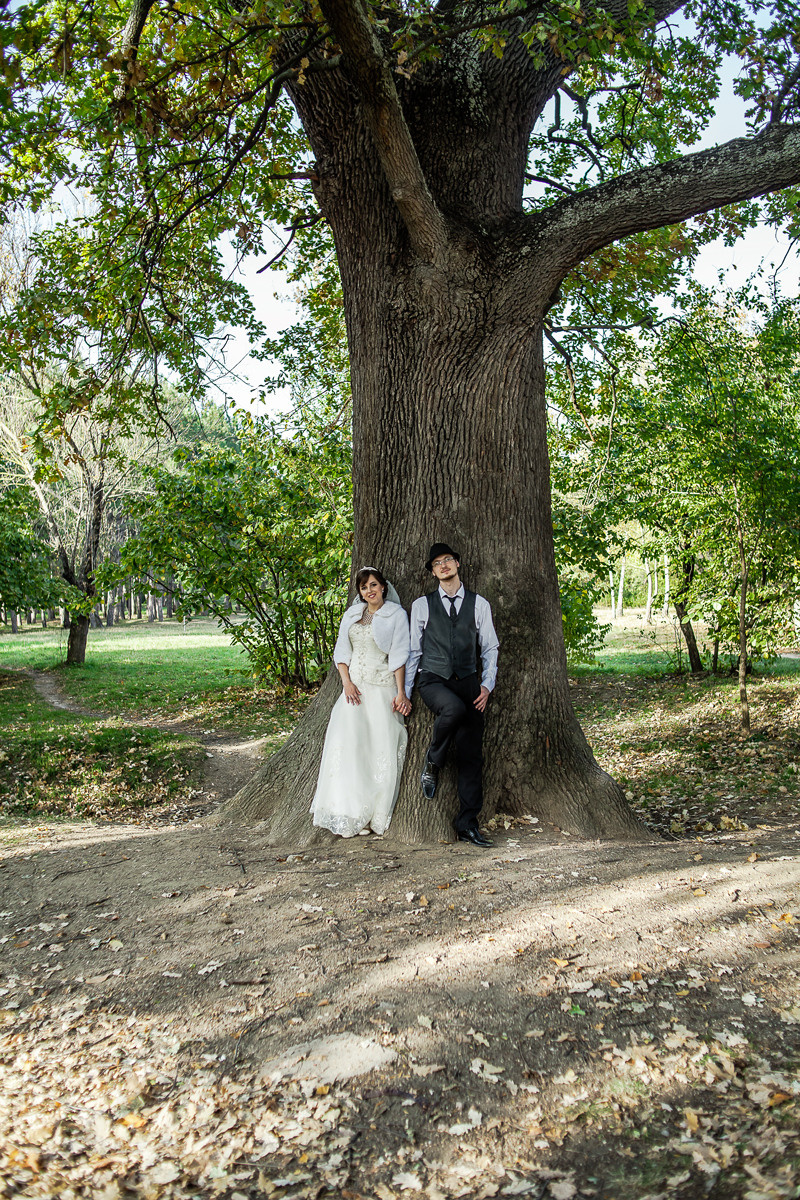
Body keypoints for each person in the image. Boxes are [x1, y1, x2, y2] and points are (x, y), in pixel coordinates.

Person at [405, 543, 499, 848]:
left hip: (470, 682)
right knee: (453, 710)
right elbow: (413, 650)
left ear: (457, 564)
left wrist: (486, 685)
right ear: (433, 572)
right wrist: (406, 692)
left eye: (447, 560)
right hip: (433, 680)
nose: (443, 565)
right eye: (437, 563)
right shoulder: (422, 605)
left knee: (472, 756)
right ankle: (433, 761)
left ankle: (467, 824)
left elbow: (489, 648)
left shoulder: (479, 604)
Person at [311, 567, 411, 838]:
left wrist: (401, 693)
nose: (370, 591)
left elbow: (400, 655)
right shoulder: (352, 615)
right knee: (351, 748)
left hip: (381, 688)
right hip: (354, 691)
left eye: (374, 585)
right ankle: (351, 810)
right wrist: (346, 682)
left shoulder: (396, 615)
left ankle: (372, 814)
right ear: (360, 592)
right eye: (365, 587)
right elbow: (341, 651)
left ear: (383, 588)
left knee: (378, 748)